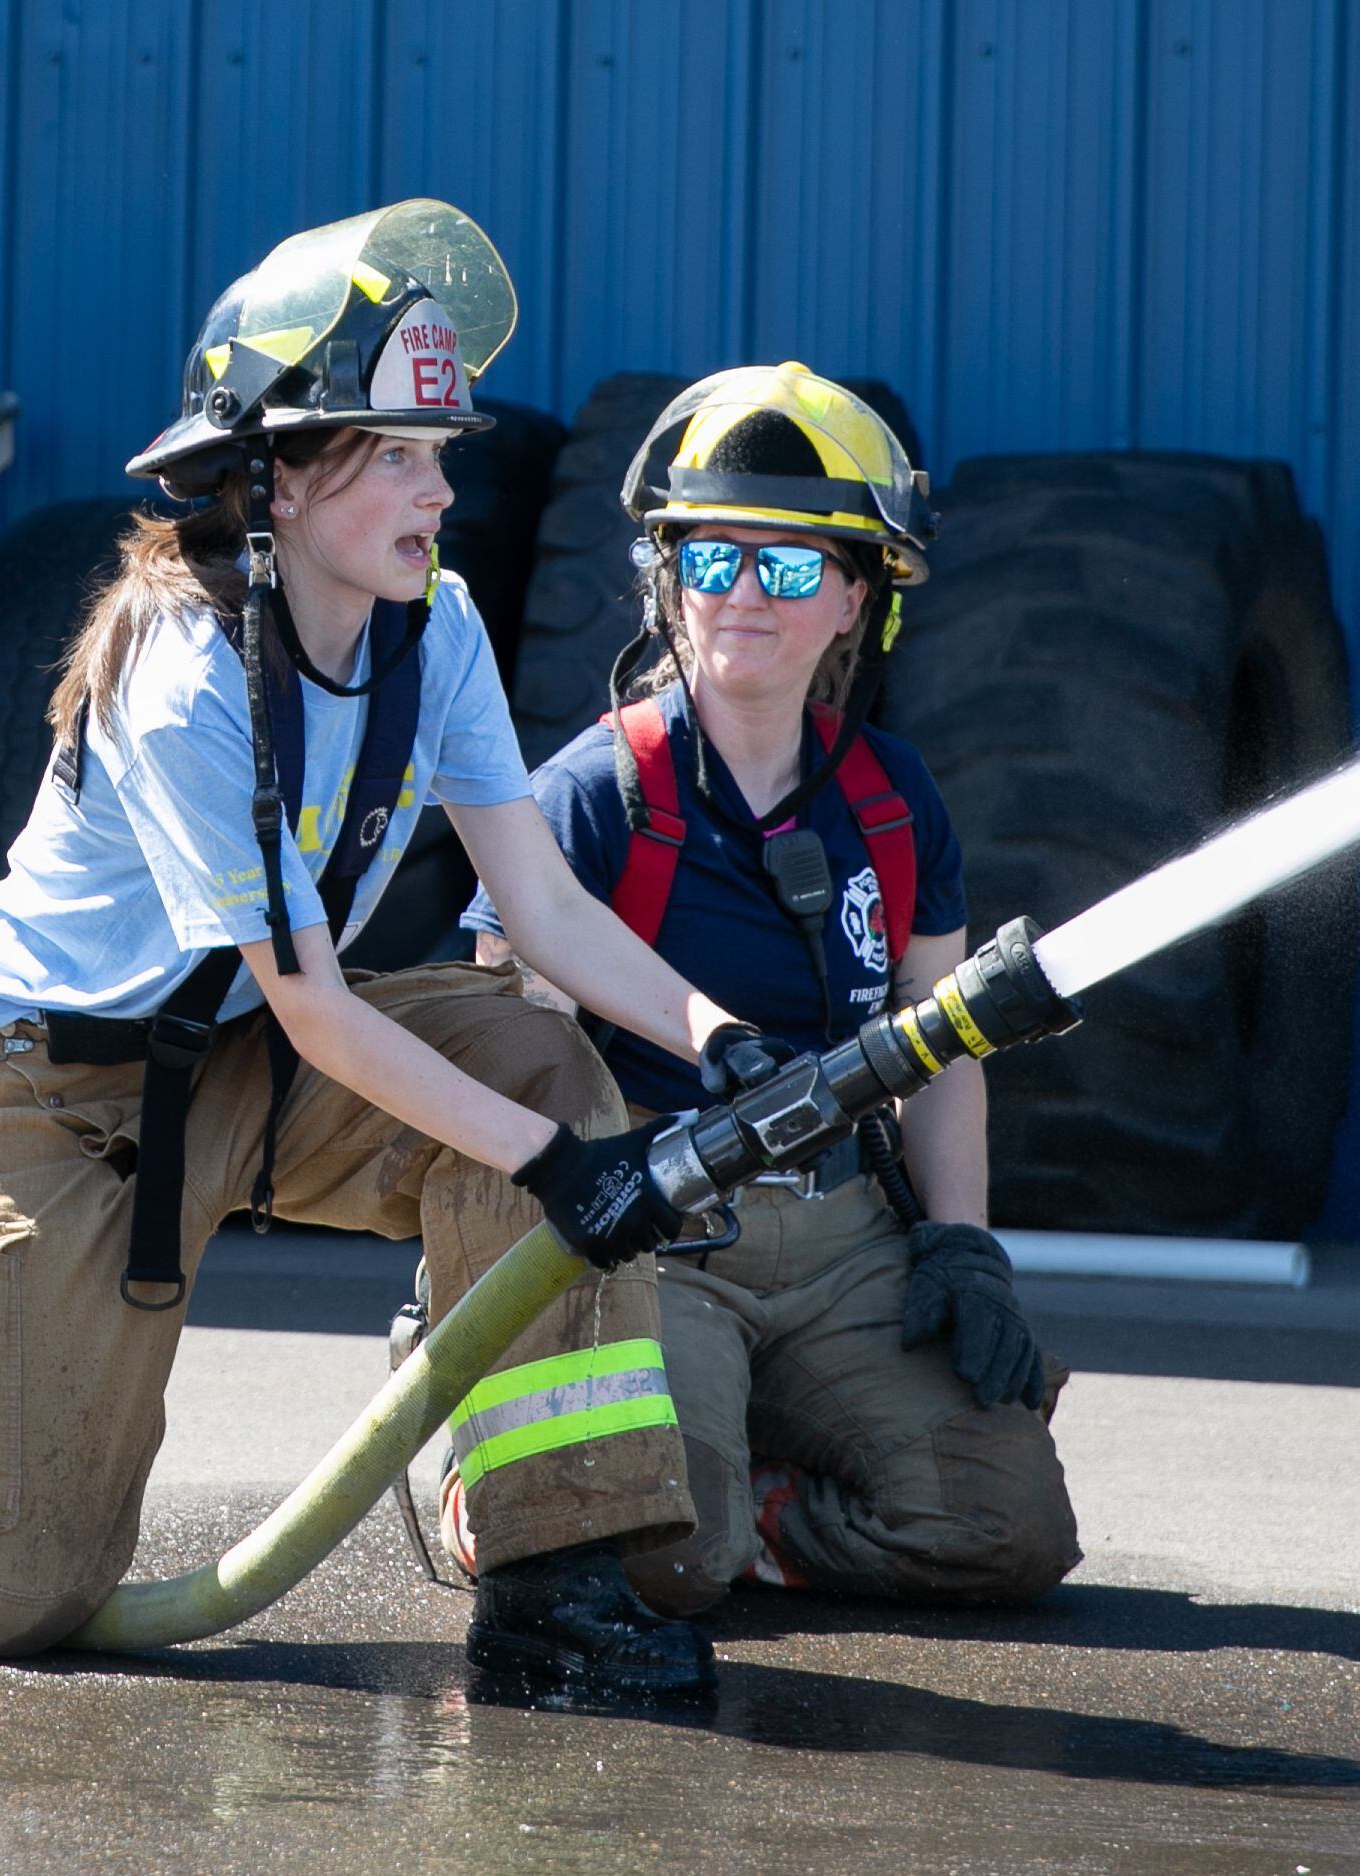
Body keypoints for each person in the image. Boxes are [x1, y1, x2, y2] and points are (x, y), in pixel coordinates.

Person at [0, 202, 758, 1699]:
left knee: (545, 1065)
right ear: (275, 477)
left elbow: (540, 910)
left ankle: (560, 1591)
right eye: (398, 455)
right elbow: (313, 1003)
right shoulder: (181, 674)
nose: (442, 491)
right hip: (46, 1101)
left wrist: (724, 1039)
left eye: (445, 454)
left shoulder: (445, 627)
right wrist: (564, 1176)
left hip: (241, 1056)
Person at [462, 363, 1081, 1615]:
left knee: (1006, 1528)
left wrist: (961, 1245)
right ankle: (523, 1494)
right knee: (659, 1565)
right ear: (668, 583)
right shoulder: (594, 794)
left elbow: (944, 1042)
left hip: (844, 1240)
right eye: (714, 561)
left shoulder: (896, 804)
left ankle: (760, 1505)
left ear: (855, 600)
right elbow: (492, 1033)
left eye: (792, 567)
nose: (746, 594)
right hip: (659, 1239)